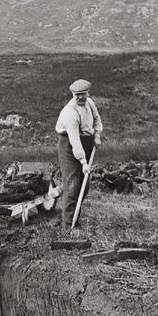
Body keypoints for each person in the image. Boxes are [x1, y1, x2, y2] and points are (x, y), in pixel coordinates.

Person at [54, 79, 103, 227]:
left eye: (83, 94)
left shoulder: (90, 103)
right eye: (77, 95)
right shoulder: (70, 113)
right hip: (69, 145)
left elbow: (97, 119)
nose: (80, 97)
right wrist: (83, 162)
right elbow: (74, 141)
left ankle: (75, 218)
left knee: (84, 185)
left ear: (88, 93)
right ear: (72, 94)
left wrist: (97, 135)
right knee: (72, 185)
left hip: (86, 142)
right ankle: (68, 226)